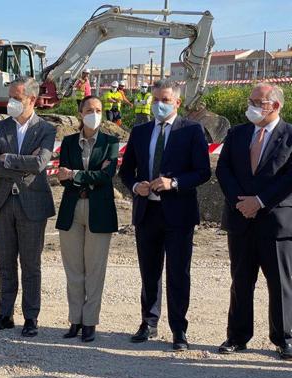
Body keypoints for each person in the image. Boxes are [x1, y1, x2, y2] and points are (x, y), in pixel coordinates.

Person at [118, 79, 211, 351]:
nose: (159, 104)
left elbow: (203, 172)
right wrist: (136, 186)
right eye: (156, 99)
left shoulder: (192, 130)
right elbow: (126, 172)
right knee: (149, 271)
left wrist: (175, 182)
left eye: (165, 100)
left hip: (179, 213)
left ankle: (179, 329)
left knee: (178, 273)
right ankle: (149, 322)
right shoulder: (140, 131)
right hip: (147, 212)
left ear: (177, 103)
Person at [216, 83, 292, 360]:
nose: (252, 106)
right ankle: (237, 336)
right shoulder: (237, 133)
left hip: (275, 221)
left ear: (276, 106)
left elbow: (288, 178)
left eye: (258, 101)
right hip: (240, 219)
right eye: (251, 100)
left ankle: (285, 338)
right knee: (241, 281)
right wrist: (241, 201)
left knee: (280, 282)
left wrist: (259, 201)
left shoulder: (290, 135)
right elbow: (223, 169)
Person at [0, 77, 56, 337]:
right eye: (10, 97)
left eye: (17, 97)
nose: (10, 102)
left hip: (33, 204)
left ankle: (31, 317)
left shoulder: (46, 129)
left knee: (30, 264)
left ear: (32, 100)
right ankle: (5, 314)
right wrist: (23, 162)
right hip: (2, 203)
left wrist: (9, 159)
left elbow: (40, 165)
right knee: (5, 263)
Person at [56, 95, 119, 342]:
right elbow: (62, 175)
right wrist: (81, 175)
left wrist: (75, 174)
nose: (95, 113)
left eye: (99, 109)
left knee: (95, 270)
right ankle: (75, 320)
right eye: (90, 109)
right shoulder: (70, 142)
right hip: (72, 209)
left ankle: (90, 321)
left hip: (99, 211)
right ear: (80, 113)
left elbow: (107, 176)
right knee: (74, 270)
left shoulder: (110, 142)